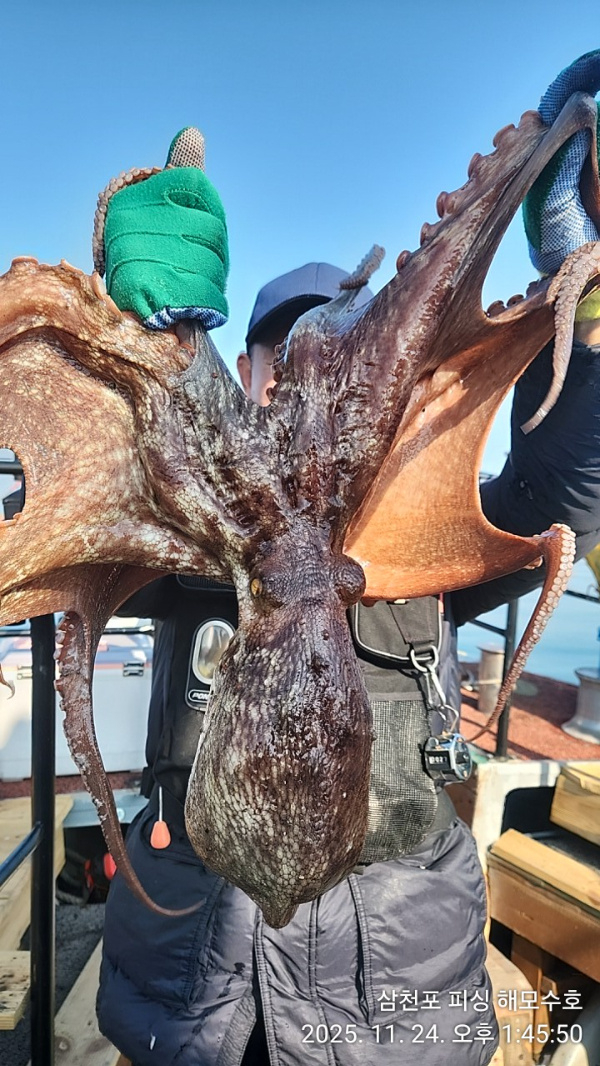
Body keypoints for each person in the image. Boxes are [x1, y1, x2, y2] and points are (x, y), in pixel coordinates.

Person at [96, 54, 600, 1066]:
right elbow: (70, 518)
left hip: (398, 1005)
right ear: (242, 378)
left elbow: (565, 492)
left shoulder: (438, 543)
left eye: (342, 361)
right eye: (280, 358)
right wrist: (141, 350)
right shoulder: (168, 525)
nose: (307, 383)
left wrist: (584, 317)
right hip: (192, 994)